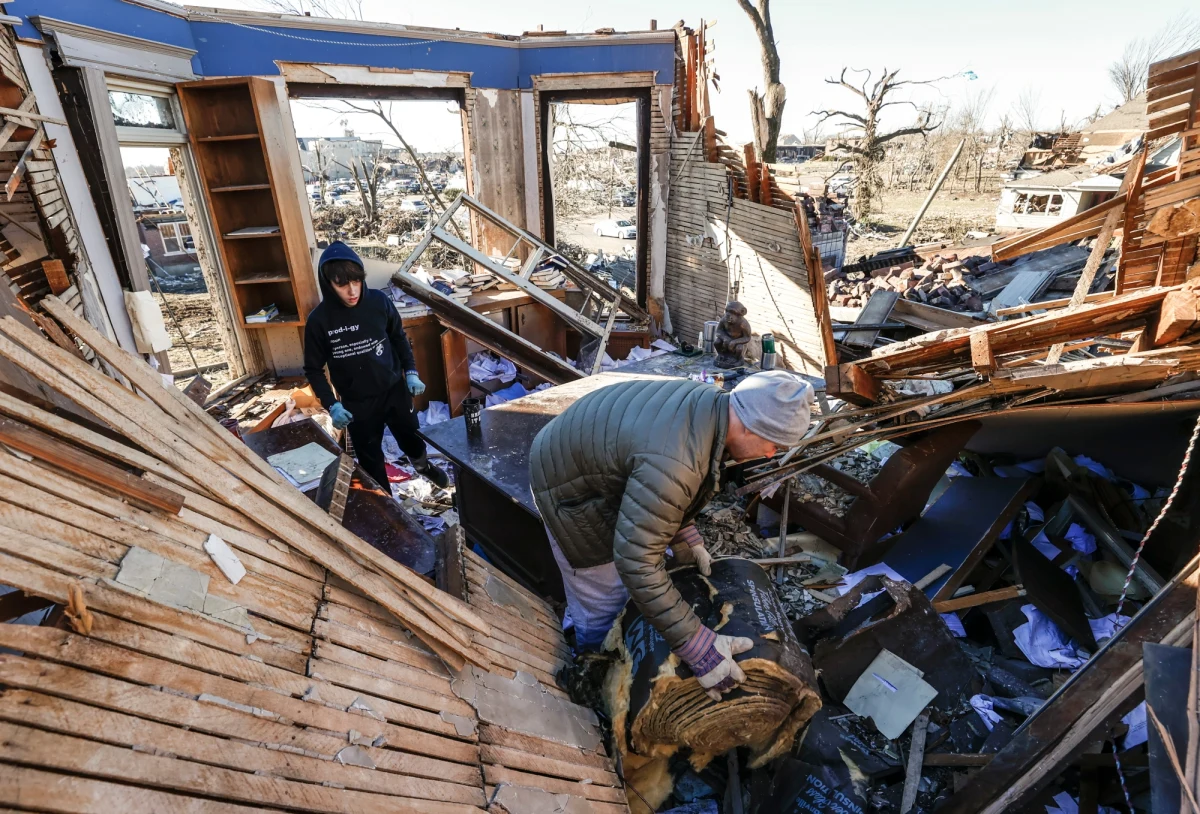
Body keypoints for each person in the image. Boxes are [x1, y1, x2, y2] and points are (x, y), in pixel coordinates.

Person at [530, 371, 814, 700]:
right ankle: (592, 670)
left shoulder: (710, 408)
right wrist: (697, 646)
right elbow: (636, 561)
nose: (769, 454)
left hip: (590, 463)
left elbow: (658, 488)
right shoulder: (675, 460)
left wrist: (685, 536)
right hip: (569, 491)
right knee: (603, 599)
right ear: (751, 424)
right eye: (773, 444)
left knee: (633, 581)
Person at [303, 241, 449, 492]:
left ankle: (423, 466)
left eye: (356, 281)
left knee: (412, 439)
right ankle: (386, 505)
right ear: (329, 284)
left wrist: (411, 372)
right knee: (370, 457)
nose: (352, 291)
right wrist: (332, 404)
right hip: (357, 403)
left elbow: (398, 337)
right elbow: (313, 370)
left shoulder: (378, 302)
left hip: (394, 390)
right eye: (342, 284)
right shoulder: (319, 321)